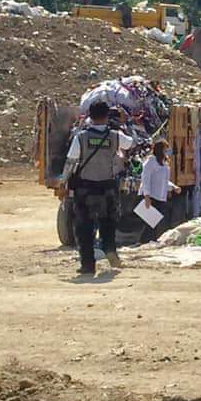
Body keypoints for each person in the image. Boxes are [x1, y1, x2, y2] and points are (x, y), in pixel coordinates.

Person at [63, 100, 133, 275]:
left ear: (90, 116)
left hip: (85, 189)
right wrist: (122, 124)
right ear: (106, 116)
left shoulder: (81, 137)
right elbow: (132, 143)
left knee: (84, 227)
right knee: (108, 223)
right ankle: (110, 251)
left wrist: (64, 181)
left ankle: (88, 265)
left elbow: (71, 162)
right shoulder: (116, 136)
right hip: (108, 187)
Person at [137, 140, 181, 244]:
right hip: (150, 196)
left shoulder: (164, 164)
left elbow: (164, 181)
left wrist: (174, 187)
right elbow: (146, 180)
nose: (167, 152)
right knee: (150, 222)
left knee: (154, 222)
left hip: (160, 197)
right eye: (165, 149)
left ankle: (149, 241)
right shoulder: (150, 162)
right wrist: (147, 196)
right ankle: (144, 242)